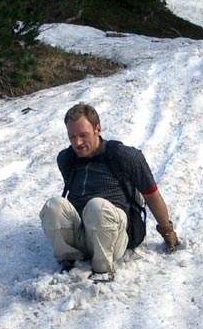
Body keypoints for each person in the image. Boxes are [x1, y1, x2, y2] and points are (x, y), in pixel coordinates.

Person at [39, 102, 178, 277]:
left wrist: (167, 231)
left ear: (98, 129)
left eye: (83, 135)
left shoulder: (125, 156)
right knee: (54, 205)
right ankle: (70, 260)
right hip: (82, 232)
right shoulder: (66, 158)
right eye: (72, 136)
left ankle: (103, 269)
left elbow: (151, 195)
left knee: (97, 207)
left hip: (113, 235)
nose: (77, 143)